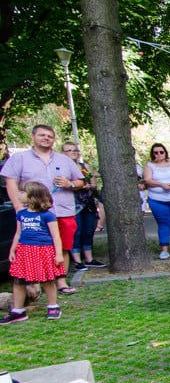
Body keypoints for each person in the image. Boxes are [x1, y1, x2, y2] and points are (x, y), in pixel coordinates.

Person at [1, 125, 84, 295]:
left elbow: (81, 181)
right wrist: (18, 207)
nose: (46, 138)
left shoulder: (64, 160)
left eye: (50, 136)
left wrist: (70, 184)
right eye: (42, 135)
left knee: (63, 246)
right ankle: (36, 283)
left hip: (62, 210)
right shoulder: (19, 159)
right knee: (34, 247)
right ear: (33, 136)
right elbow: (11, 183)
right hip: (33, 213)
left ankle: (61, 282)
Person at [1, 182, 65, 323]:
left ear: (33, 197)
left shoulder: (48, 215)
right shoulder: (21, 214)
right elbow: (18, 233)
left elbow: (56, 236)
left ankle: (53, 306)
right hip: (24, 251)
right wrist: (13, 249)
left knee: (47, 280)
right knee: (19, 280)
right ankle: (18, 311)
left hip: (43, 251)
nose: (19, 194)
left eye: (23, 192)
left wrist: (58, 254)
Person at [62, 142, 106, 270]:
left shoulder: (84, 166)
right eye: (69, 150)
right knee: (76, 231)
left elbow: (93, 184)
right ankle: (77, 260)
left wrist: (87, 186)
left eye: (75, 150)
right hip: (72, 203)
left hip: (88, 202)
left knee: (88, 230)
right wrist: (75, 185)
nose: (73, 152)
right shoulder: (62, 167)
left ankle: (89, 258)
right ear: (63, 153)